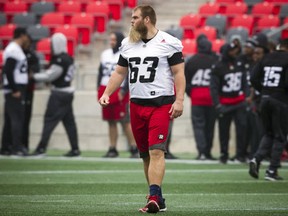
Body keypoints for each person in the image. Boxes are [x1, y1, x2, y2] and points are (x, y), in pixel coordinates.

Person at [99, 5, 185, 213]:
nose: (131, 21)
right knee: (146, 154)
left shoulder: (168, 42)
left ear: (147, 19)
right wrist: (107, 93)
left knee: (156, 151)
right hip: (136, 104)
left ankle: (153, 197)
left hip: (161, 103)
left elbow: (178, 73)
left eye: (135, 17)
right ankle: (158, 197)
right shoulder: (128, 44)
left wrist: (179, 99)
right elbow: (119, 73)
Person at [31, 33, 80, 157]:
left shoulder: (60, 59)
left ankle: (41, 148)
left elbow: (51, 75)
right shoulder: (69, 58)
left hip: (59, 93)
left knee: (49, 120)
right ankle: (75, 149)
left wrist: (33, 77)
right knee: (69, 122)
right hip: (67, 92)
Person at [249, 38, 288, 181]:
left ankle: (256, 159)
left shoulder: (267, 57)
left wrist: (264, 90)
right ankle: (272, 170)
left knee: (269, 133)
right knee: (280, 136)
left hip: (264, 100)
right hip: (280, 100)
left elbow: (253, 78)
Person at [97, 31, 138, 158]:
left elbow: (128, 73)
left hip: (120, 89)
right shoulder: (105, 54)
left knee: (124, 121)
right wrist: (99, 89)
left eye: (114, 39)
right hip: (106, 88)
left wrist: (124, 90)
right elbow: (100, 73)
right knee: (110, 121)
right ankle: (112, 148)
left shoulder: (125, 53)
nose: (111, 42)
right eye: (111, 39)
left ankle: (134, 147)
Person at [210, 43, 249, 164]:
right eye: (232, 50)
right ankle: (224, 154)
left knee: (242, 128)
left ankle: (240, 154)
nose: (234, 53)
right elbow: (214, 87)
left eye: (235, 50)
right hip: (225, 104)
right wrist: (217, 104)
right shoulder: (218, 66)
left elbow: (245, 82)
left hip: (239, 102)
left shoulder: (240, 64)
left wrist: (246, 96)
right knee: (224, 131)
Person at [185, 37, 218, 160]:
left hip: (197, 96)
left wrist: (191, 93)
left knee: (198, 126)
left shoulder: (192, 60)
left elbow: (186, 80)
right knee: (210, 126)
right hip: (211, 97)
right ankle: (208, 152)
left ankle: (202, 152)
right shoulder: (216, 60)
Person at [0, 27, 30, 156]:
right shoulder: (13, 49)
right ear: (21, 35)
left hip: (15, 86)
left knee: (10, 118)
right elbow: (8, 70)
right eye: (25, 36)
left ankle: (6, 147)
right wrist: (14, 88)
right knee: (17, 118)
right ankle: (16, 147)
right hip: (15, 87)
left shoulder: (15, 49)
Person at [22, 35, 40, 151]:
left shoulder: (31, 55)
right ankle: (13, 144)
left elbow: (37, 68)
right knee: (17, 119)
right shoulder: (18, 53)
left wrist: (32, 73)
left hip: (28, 90)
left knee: (26, 118)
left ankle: (24, 144)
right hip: (19, 90)